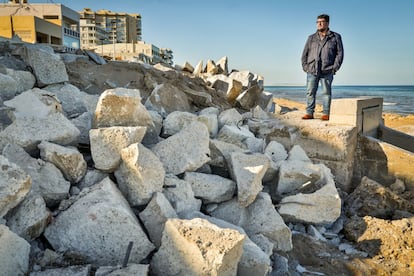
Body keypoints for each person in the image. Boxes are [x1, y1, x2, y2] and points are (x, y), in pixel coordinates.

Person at [301, 14, 344, 120]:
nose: (319, 24)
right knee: (310, 92)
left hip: (327, 69)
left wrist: (335, 67)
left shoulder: (335, 37)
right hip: (312, 69)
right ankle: (309, 113)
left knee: (326, 92)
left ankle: (326, 113)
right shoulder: (311, 38)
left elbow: (340, 53)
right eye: (317, 22)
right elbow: (304, 54)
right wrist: (305, 67)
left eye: (321, 21)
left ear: (327, 23)